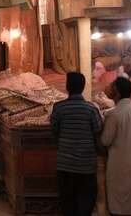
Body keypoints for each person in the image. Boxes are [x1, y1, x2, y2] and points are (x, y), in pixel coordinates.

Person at [50, 72, 102, 216]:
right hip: (86, 165)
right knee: (86, 201)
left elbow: (54, 130)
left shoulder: (58, 107)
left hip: (65, 163)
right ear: (83, 87)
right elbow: (98, 130)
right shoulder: (91, 109)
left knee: (68, 201)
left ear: (67, 87)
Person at [101, 77, 131, 216]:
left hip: (119, 163)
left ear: (116, 91)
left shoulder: (114, 114)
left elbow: (105, 140)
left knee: (119, 203)